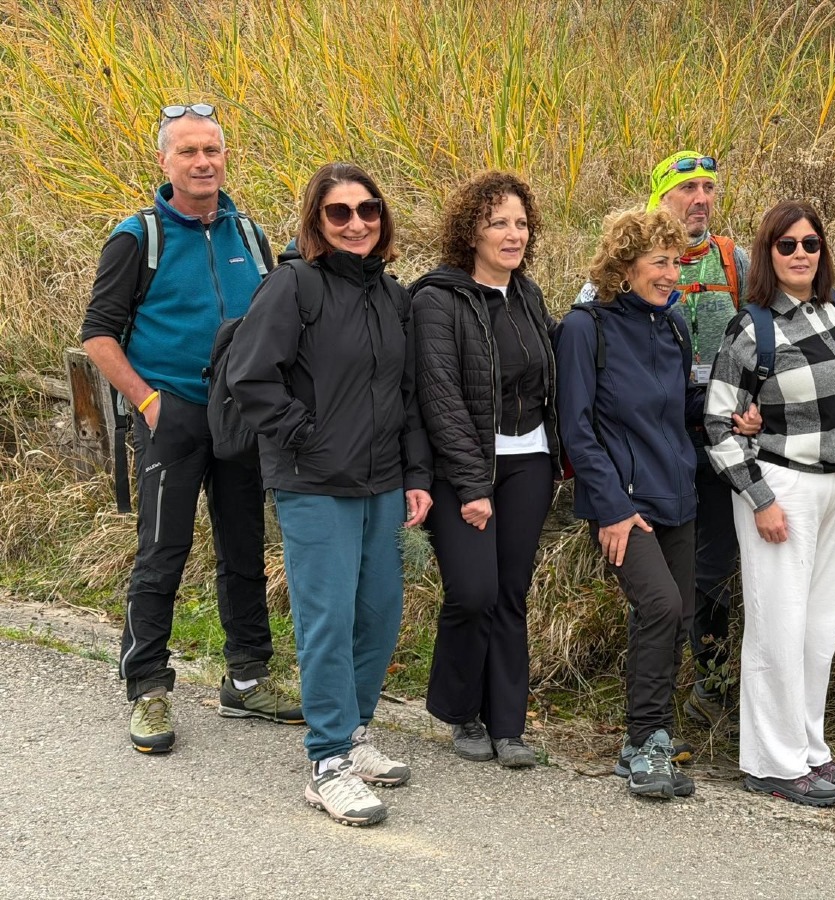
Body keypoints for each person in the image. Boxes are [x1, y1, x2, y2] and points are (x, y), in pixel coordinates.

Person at [82, 103, 301, 754]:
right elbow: (98, 335)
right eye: (188, 151)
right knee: (162, 552)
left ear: (225, 157)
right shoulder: (138, 237)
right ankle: (148, 686)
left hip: (240, 418)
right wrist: (149, 403)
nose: (203, 162)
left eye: (212, 150)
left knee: (244, 550)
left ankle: (248, 679)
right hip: (171, 416)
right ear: (164, 161)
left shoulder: (249, 235)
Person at [225, 162, 433, 826]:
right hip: (314, 484)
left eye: (368, 210)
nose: (356, 223)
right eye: (339, 212)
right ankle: (327, 762)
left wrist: (416, 476)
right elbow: (250, 377)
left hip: (382, 483)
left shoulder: (393, 296)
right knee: (328, 620)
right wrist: (307, 438)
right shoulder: (293, 285)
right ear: (316, 221)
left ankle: (355, 732)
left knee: (379, 614)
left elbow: (406, 396)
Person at [581, 151, 752, 731]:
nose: (701, 198)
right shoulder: (604, 294)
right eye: (687, 188)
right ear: (660, 197)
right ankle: (649, 725)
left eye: (709, 187)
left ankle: (706, 689)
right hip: (641, 457)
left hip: (709, 443)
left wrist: (744, 410)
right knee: (661, 596)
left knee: (708, 577)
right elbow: (584, 380)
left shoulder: (732, 263)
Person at [704, 199, 835, 807]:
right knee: (778, 624)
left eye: (811, 244)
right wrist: (760, 498)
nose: (801, 254)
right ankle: (772, 762)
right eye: (788, 245)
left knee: (819, 628)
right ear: (768, 254)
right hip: (783, 490)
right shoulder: (752, 329)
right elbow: (718, 424)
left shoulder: (832, 312)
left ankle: (809, 748)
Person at [411, 171, 559, 769]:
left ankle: (508, 725)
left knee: (510, 593)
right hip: (462, 469)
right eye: (499, 222)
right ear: (471, 231)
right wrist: (473, 486)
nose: (513, 234)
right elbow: (439, 396)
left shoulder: (528, 295)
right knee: (474, 592)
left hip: (529, 461)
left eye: (521, 223)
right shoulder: (436, 300)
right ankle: (460, 709)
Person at [556, 207, 701, 800]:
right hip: (623, 502)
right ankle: (645, 741)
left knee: (676, 617)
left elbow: (681, 411)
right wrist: (612, 507)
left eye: (676, 262)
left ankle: (650, 737)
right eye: (658, 262)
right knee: (660, 605)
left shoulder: (674, 327)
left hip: (678, 495)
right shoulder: (584, 329)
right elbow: (576, 428)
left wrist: (735, 413)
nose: (671, 274)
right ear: (624, 267)